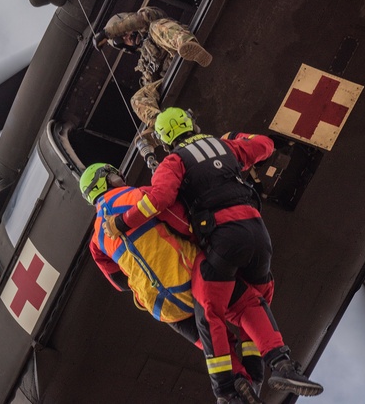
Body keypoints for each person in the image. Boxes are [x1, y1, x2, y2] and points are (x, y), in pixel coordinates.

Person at [102, 109, 324, 401]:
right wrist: (233, 136)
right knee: (252, 304)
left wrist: (122, 222)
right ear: (192, 123)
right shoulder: (225, 145)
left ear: (166, 139)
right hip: (258, 236)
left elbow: (162, 201)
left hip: (224, 239)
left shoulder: (174, 162)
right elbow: (265, 145)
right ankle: (279, 366)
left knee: (209, 314)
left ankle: (227, 392)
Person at [80, 163, 266, 403]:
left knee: (214, 345)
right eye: (114, 173)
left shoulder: (96, 241)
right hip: (192, 279)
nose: (120, 176)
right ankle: (268, 366)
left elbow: (119, 283)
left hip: (163, 308)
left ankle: (240, 383)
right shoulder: (137, 196)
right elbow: (183, 222)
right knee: (249, 305)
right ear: (104, 181)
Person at [93, 6, 212, 129]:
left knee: (155, 26)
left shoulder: (150, 19)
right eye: (121, 40)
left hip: (180, 53)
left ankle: (189, 46)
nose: (126, 37)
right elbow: (151, 87)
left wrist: (107, 33)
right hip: (175, 77)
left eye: (124, 33)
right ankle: (160, 127)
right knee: (137, 99)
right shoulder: (144, 63)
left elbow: (141, 19)